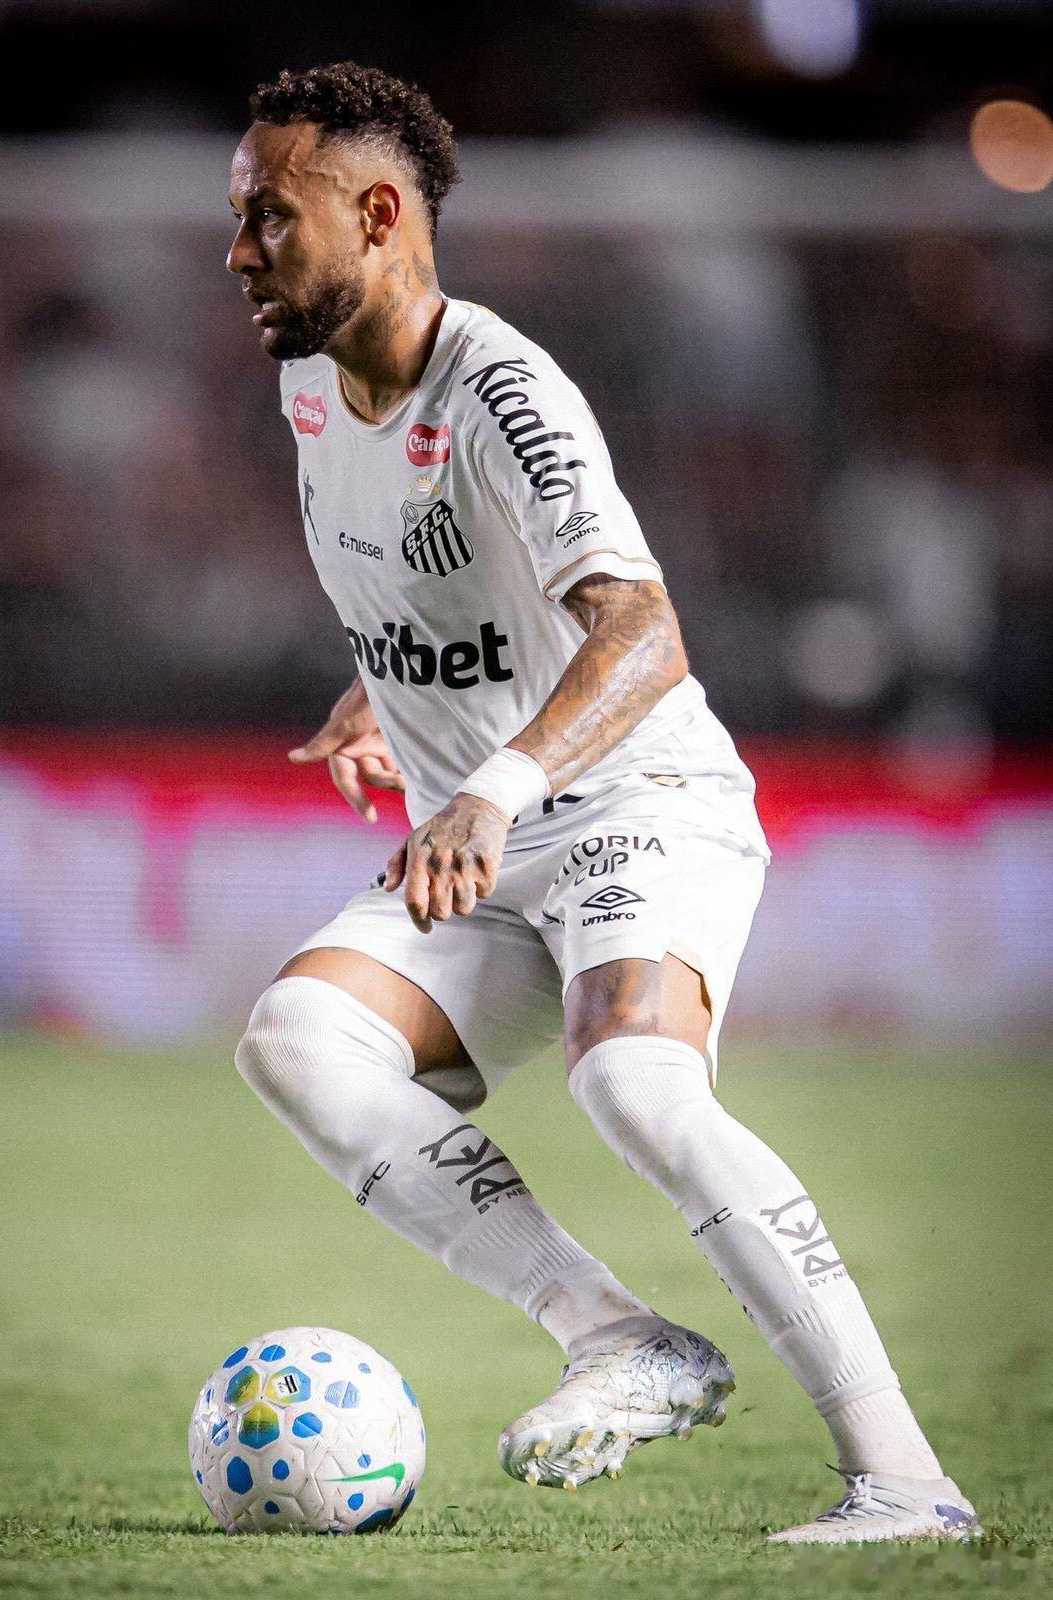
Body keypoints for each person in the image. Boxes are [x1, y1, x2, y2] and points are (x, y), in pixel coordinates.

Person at [225, 61, 978, 1543]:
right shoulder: (312, 386)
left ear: (376, 215)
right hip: (490, 846)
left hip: (636, 803)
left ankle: (907, 1483)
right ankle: (620, 1337)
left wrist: (492, 786)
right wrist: (383, 684)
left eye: (269, 217)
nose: (238, 250)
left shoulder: (504, 390)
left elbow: (642, 631)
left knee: (635, 1084)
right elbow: (443, 582)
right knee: (297, 1042)